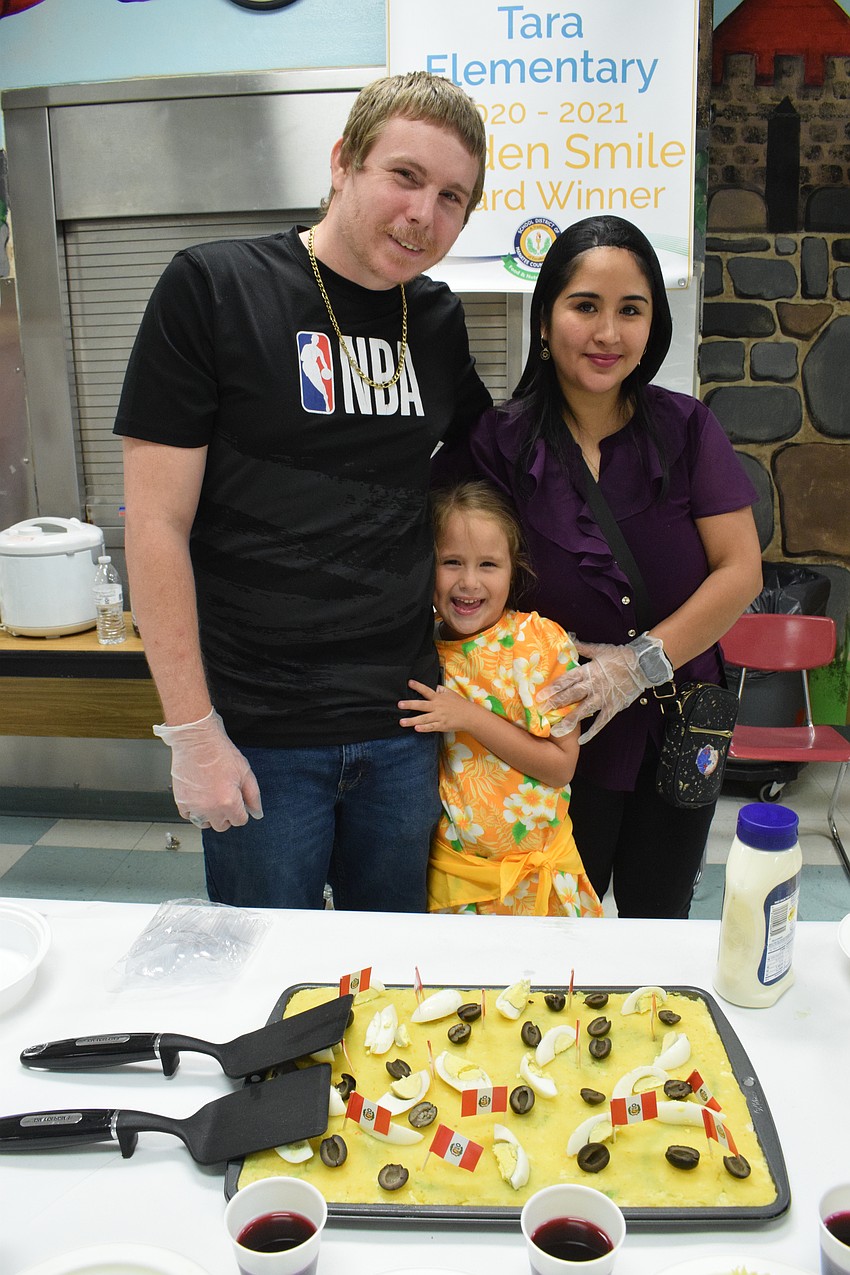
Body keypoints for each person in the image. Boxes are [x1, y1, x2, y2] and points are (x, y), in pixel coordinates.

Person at [114, 72, 493, 911]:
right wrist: (193, 733)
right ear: (343, 162)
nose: (423, 213)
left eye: (452, 197)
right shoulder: (214, 288)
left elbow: (491, 467)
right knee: (264, 972)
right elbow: (156, 524)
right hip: (260, 733)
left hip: (404, 725)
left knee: (389, 967)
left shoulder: (436, 320)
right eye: (405, 176)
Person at [432, 215, 762, 919]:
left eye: (631, 310)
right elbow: (449, 560)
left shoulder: (688, 428)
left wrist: (637, 664)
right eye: (585, 306)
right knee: (550, 930)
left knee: (658, 925)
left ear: (653, 324)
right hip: (549, 735)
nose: (608, 333)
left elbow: (740, 571)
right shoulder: (497, 442)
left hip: (676, 727)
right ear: (544, 321)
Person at [398, 481, 602, 918]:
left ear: (514, 568)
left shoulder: (539, 644)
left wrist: (469, 717)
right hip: (457, 886)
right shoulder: (419, 651)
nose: (468, 582)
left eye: (488, 564)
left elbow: (560, 767)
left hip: (539, 885)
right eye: (451, 562)